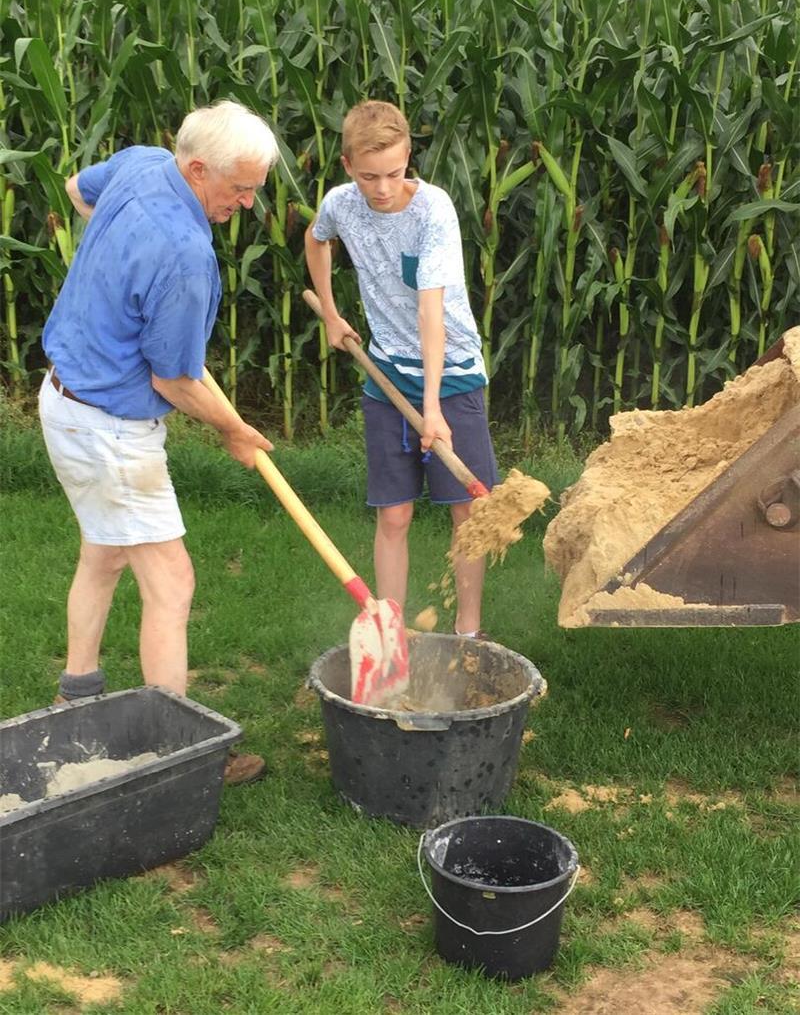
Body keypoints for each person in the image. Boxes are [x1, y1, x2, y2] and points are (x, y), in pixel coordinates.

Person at [39, 100, 278, 784]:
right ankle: (180, 753)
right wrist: (234, 431)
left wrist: (113, 268)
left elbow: (75, 191)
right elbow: (174, 380)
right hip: (110, 428)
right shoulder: (183, 254)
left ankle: (75, 695)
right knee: (172, 583)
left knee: (105, 554)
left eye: (255, 186)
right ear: (196, 167)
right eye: (238, 187)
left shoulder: (142, 163)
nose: (248, 201)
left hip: (63, 401)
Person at [305, 99, 499, 636]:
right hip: (386, 376)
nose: (383, 187)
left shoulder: (432, 211)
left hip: (452, 373)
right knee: (394, 513)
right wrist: (331, 312)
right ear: (347, 166)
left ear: (408, 157)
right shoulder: (341, 204)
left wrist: (433, 408)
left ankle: (468, 630)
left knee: (467, 511)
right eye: (369, 176)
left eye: (393, 172)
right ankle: (390, 632)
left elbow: (429, 309)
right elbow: (316, 239)